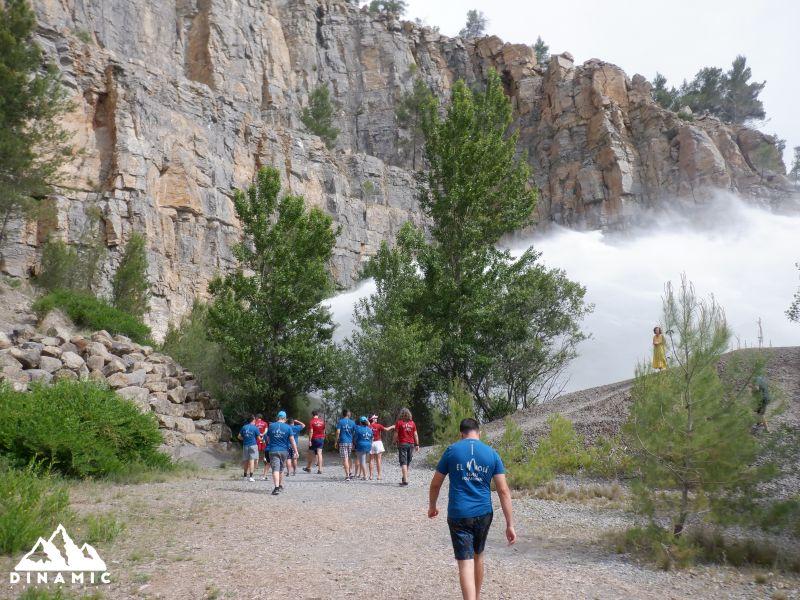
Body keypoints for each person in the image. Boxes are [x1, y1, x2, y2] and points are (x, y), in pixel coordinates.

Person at [428, 418, 516, 600]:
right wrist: (510, 524)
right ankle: (476, 596)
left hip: (459, 514)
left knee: (465, 563)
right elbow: (503, 490)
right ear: (479, 433)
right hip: (484, 513)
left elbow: (436, 484)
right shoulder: (491, 453)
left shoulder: (452, 451)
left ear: (461, 434)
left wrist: (433, 506)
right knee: (478, 556)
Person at [264, 411, 299, 496]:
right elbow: (292, 440)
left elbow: (267, 439)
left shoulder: (271, 426)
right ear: (285, 418)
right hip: (284, 451)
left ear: (277, 417)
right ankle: (280, 485)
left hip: (273, 450)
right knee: (281, 469)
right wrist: (296, 451)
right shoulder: (288, 427)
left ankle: (276, 488)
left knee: (275, 469)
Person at [394, 408, 419, 486]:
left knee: (403, 462)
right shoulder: (412, 423)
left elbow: (396, 434)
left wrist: (394, 441)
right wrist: (417, 444)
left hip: (402, 444)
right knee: (407, 461)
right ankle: (404, 477)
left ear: (401, 414)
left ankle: (405, 480)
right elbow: (415, 434)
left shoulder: (399, 423)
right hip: (411, 444)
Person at [368, 415, 395, 480]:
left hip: (370, 443)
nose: (376, 419)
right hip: (378, 442)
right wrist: (392, 426)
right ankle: (379, 476)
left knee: (371, 460)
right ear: (373, 419)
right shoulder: (378, 425)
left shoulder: (368, 426)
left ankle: (371, 476)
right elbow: (387, 429)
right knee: (378, 460)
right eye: (375, 418)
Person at [237, 415, 261, 482]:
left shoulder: (244, 427)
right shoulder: (255, 428)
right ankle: (251, 477)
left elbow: (239, 436)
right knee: (252, 461)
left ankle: (245, 476)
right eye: (255, 420)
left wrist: (244, 439)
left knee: (246, 461)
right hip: (253, 445)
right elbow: (259, 438)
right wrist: (262, 440)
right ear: (253, 420)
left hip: (245, 445)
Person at [334, 409, 356, 481]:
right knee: (349, 457)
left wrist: (336, 441)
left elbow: (338, 432)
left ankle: (347, 476)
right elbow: (355, 432)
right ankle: (350, 472)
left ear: (343, 414)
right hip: (350, 442)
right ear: (348, 414)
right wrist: (354, 442)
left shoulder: (340, 422)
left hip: (343, 442)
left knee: (345, 458)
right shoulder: (352, 422)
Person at [353, 416, 374, 481]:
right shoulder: (369, 429)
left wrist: (355, 444)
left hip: (361, 446)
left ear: (360, 422)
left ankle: (365, 476)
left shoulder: (358, 429)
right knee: (364, 461)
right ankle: (363, 475)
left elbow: (355, 439)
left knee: (362, 461)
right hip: (368, 446)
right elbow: (372, 438)